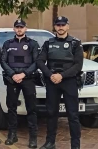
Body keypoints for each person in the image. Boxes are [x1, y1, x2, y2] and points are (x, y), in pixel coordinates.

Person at [37, 16, 83, 149]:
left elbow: (78, 65)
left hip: (69, 81)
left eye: (63, 25)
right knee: (51, 113)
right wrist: (51, 75)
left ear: (67, 26)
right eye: (58, 25)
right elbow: (40, 61)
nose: (60, 27)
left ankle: (75, 145)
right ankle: (50, 142)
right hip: (52, 82)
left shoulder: (75, 43)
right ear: (55, 27)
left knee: (73, 115)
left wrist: (61, 76)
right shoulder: (48, 43)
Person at [1, 19, 39, 148]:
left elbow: (36, 62)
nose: (19, 29)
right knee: (12, 108)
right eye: (17, 27)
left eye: (21, 27)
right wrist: (13, 74)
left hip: (27, 79)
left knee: (31, 109)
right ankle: (12, 135)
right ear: (14, 29)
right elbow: (3, 61)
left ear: (25, 29)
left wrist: (23, 74)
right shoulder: (7, 44)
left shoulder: (33, 44)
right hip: (12, 80)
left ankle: (33, 138)